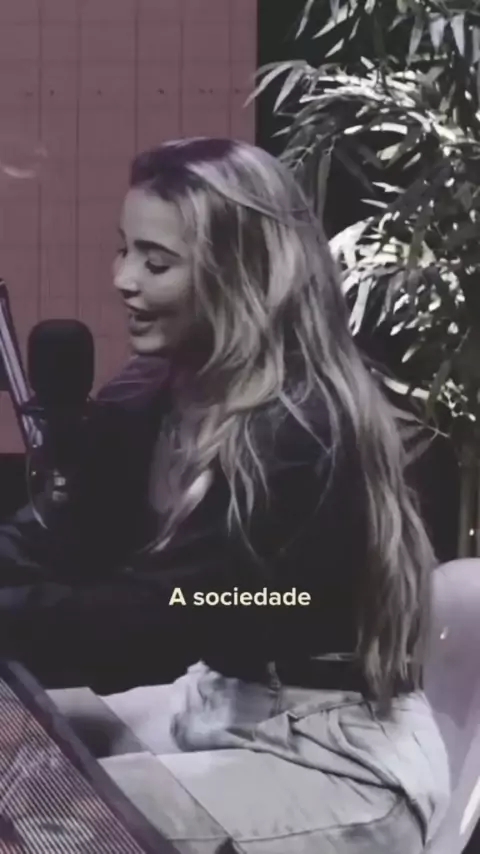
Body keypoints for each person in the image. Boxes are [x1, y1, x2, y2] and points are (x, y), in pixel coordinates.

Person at [0, 137, 449, 852]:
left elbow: (160, 620)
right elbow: (58, 534)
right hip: (215, 704)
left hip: (332, 758)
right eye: (124, 250)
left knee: (45, 821)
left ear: (239, 273)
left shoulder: (303, 431)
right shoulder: (149, 393)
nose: (122, 278)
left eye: (157, 262)